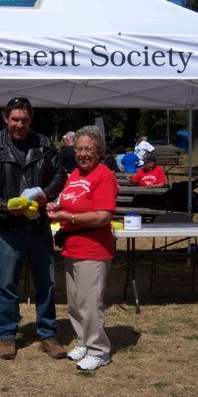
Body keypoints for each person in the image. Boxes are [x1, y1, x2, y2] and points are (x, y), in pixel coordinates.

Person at [0, 97, 68, 361]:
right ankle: (7, 335)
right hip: (10, 226)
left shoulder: (44, 144)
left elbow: (60, 175)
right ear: (6, 118)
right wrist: (5, 207)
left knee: (46, 282)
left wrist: (44, 193)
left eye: (24, 120)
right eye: (15, 119)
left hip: (39, 225)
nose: (19, 125)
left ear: (31, 119)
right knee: (7, 284)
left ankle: (48, 334)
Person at [46, 125, 118, 371]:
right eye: (79, 149)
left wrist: (69, 217)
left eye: (88, 149)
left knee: (90, 303)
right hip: (72, 246)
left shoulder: (104, 175)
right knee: (75, 303)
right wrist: (57, 209)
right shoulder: (75, 174)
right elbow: (71, 203)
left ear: (99, 152)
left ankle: (99, 350)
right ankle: (83, 341)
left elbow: (103, 216)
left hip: (93, 249)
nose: (83, 154)